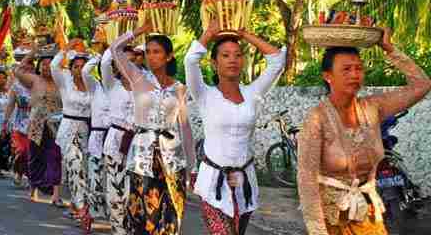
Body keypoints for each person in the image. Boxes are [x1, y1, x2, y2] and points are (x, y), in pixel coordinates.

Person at [297, 28, 431, 235]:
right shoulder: (317, 119)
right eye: (346, 69)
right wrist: (317, 231)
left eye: (358, 68)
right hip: (331, 221)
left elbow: (422, 85)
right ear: (328, 76)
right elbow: (306, 180)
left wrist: (389, 48)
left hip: (368, 214)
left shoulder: (372, 108)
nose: (354, 74)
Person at [184, 19, 286, 235]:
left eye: (238, 55)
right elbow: (191, 61)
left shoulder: (253, 93)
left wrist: (244, 33)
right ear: (214, 63)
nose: (233, 60)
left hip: (245, 182)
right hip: (213, 181)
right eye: (225, 55)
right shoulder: (204, 94)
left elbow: (277, 60)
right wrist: (209, 33)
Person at [111, 20, 191, 235]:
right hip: (142, 157)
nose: (151, 56)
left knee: (172, 212)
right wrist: (139, 31)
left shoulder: (180, 88)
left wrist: (192, 168)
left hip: (172, 158)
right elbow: (115, 49)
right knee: (145, 213)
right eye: (148, 51)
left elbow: (184, 127)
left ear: (169, 56)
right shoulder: (137, 78)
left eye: (156, 52)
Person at [51, 40, 94, 232]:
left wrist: (93, 50)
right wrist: (67, 48)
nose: (79, 70)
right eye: (75, 66)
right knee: (75, 166)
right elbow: (53, 65)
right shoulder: (65, 81)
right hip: (68, 129)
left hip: (87, 131)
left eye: (83, 66)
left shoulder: (94, 85)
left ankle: (78, 203)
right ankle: (82, 208)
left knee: (83, 169)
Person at [13, 44, 63, 206]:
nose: (47, 67)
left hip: (55, 125)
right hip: (36, 125)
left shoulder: (61, 81)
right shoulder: (34, 80)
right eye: (43, 64)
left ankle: (55, 194)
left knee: (55, 157)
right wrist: (33, 52)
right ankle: (34, 189)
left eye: (50, 64)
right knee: (35, 157)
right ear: (39, 66)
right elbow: (18, 71)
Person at [101, 45, 137, 235]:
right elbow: (105, 60)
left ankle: (130, 227)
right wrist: (129, 35)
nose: (128, 64)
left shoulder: (143, 85)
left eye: (132, 61)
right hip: (115, 140)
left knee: (132, 189)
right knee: (115, 189)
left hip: (137, 143)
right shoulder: (111, 84)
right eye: (124, 60)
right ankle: (118, 230)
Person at [81, 49, 110, 221]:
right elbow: (85, 70)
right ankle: (90, 213)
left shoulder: (122, 87)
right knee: (94, 175)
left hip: (116, 137)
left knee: (111, 178)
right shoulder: (95, 86)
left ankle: (112, 214)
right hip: (97, 136)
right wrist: (99, 54)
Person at [4, 48, 33, 187]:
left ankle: (27, 176)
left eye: (31, 66)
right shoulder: (16, 87)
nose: (28, 69)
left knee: (30, 153)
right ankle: (17, 172)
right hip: (19, 123)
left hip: (35, 124)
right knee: (20, 151)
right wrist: (5, 121)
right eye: (25, 68)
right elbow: (10, 105)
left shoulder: (39, 84)